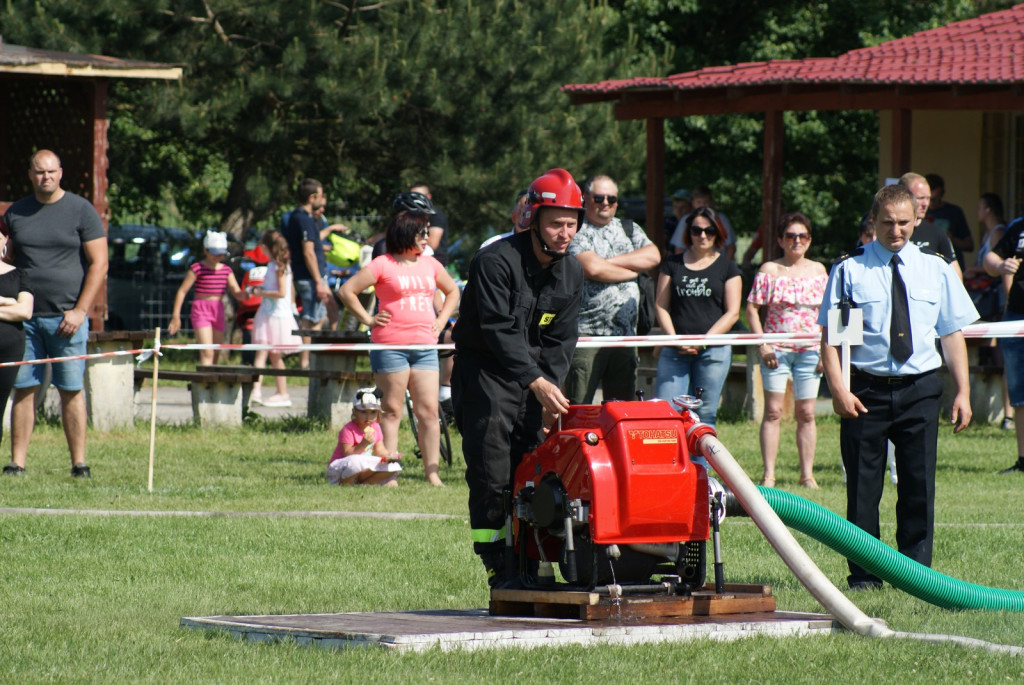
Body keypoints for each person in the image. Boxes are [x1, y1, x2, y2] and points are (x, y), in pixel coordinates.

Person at [819, 183, 976, 590]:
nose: (896, 231)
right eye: (887, 222)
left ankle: (915, 575)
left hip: (920, 388)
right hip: (864, 391)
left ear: (917, 220)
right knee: (863, 489)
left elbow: (951, 334)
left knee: (918, 485)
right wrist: (839, 390)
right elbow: (834, 340)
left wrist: (963, 391)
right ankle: (865, 576)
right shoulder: (850, 270)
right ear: (873, 222)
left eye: (904, 222)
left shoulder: (936, 268)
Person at [451, 168, 584, 588]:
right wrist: (536, 382)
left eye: (571, 223)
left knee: (535, 469)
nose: (565, 233)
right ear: (533, 219)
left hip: (534, 379)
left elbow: (561, 340)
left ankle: (532, 559)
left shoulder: (572, 272)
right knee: (492, 473)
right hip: (485, 375)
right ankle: (497, 564)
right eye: (555, 223)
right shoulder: (494, 261)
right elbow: (497, 331)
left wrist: (550, 390)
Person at [1, 150, 107, 478]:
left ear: (61, 172)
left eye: (51, 171)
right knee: (25, 387)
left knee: (71, 388)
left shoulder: (81, 210)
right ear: (30, 174)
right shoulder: (16, 213)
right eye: (39, 172)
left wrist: (79, 311)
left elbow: (99, 263)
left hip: (67, 318)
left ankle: (79, 463)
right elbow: (7, 262)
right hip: (26, 318)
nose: (46, 177)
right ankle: (17, 463)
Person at [337, 210, 460, 486]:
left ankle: (432, 474)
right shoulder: (382, 264)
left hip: (425, 347)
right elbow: (347, 291)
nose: (427, 239)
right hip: (390, 346)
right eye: (422, 234)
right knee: (391, 410)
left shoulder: (430, 264)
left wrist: (441, 321)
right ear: (406, 234)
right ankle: (388, 474)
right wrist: (368, 319)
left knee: (428, 411)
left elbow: (453, 291)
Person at [745, 213, 827, 488]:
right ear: (780, 240)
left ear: (810, 240)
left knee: (807, 413)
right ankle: (769, 474)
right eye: (791, 236)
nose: (796, 241)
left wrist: (827, 351)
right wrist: (763, 343)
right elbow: (752, 309)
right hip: (776, 349)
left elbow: (829, 314)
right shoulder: (769, 270)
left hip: (811, 350)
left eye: (802, 236)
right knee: (773, 412)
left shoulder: (819, 271)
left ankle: (807, 475)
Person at [564, 174, 660, 404]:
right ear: (585, 198)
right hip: (587, 336)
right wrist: (631, 270)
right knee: (579, 408)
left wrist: (607, 262)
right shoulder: (574, 229)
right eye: (599, 197)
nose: (605, 203)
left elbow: (653, 255)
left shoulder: (629, 228)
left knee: (622, 410)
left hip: (625, 337)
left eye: (611, 198)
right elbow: (593, 269)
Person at [654, 207, 741, 436]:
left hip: (713, 351)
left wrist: (703, 342)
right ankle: (671, 468)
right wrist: (674, 340)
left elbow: (733, 313)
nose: (702, 235)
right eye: (696, 230)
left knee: (705, 415)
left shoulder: (728, 267)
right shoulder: (672, 263)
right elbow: (660, 306)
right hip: (675, 350)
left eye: (709, 230)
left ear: (718, 233)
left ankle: (701, 470)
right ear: (688, 233)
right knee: (667, 413)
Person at [982, 211, 1024, 472]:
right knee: (1020, 394)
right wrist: (1000, 266)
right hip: (1017, 316)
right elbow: (990, 257)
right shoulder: (1018, 227)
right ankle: (1023, 461)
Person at [168, 231, 245, 366]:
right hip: (201, 309)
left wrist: (247, 294)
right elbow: (182, 291)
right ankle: (204, 383)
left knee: (215, 351)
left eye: (220, 253)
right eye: (214, 253)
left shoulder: (226, 270)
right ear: (206, 251)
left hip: (218, 309)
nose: (217, 256)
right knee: (207, 351)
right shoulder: (197, 268)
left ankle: (211, 380)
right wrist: (176, 316)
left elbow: (236, 291)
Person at [968, 193, 1012, 430]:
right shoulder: (989, 233)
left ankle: (1009, 414)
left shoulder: (998, 232)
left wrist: (971, 270)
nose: (977, 211)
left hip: (997, 301)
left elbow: (1000, 266)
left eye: (979, 207)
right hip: (994, 301)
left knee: (1004, 352)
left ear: (987, 209)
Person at [282, 179, 331, 369]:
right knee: (313, 320)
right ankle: (308, 363)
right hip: (310, 278)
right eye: (321, 195)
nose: (324, 200)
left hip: (309, 276)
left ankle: (309, 361)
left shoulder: (302, 217)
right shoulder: (303, 218)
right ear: (312, 198)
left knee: (315, 317)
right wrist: (318, 281)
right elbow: (308, 252)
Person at [249, 230, 302, 408]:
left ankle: (279, 392)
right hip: (268, 314)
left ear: (265, 247)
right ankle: (258, 390)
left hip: (277, 316)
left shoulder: (278, 266)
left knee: (272, 354)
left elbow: (281, 292)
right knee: (266, 352)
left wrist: (260, 292)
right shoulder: (276, 265)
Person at [0, 224, 34, 475]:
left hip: (9, 349)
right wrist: (8, 301)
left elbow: (25, 311)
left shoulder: (20, 274)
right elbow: (16, 307)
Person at [325, 388, 402, 486]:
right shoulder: (348, 429)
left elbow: (379, 450)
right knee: (355, 462)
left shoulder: (376, 427)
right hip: (342, 468)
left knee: (394, 467)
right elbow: (348, 455)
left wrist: (389, 456)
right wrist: (363, 444)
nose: (368, 416)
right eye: (364, 412)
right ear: (355, 412)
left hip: (363, 466)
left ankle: (365, 484)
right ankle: (344, 484)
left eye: (373, 412)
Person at [899, 173, 962, 279]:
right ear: (902, 196)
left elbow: (955, 275)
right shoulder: (886, 231)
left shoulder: (937, 234)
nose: (925, 204)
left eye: (928, 198)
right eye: (920, 198)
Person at [669, 185, 738, 261]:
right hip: (692, 264)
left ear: (711, 202)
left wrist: (725, 268)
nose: (702, 206)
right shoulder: (686, 220)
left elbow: (731, 247)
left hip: (717, 264)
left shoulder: (721, 219)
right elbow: (679, 248)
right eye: (699, 202)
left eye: (705, 202)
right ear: (693, 203)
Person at [925, 173, 973, 270]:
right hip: (926, 265)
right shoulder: (919, 212)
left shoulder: (954, 212)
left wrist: (951, 238)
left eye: (935, 199)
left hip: (949, 265)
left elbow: (969, 245)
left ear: (942, 194)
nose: (930, 203)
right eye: (928, 199)